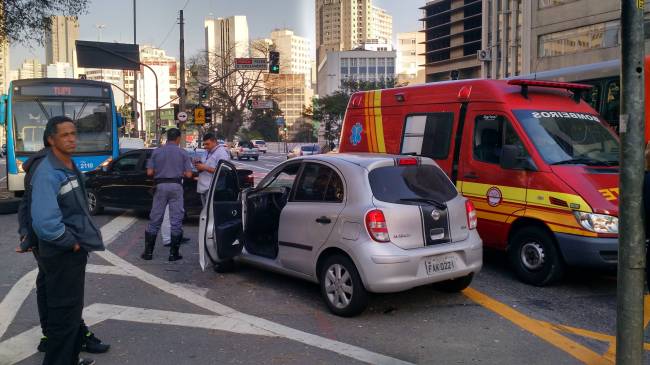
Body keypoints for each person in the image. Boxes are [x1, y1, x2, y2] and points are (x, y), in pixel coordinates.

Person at [15, 146, 110, 358]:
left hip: (50, 241)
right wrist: (71, 242)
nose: (72, 142)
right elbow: (34, 208)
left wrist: (26, 233)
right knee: (63, 298)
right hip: (56, 243)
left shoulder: (52, 164)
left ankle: (62, 339)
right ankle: (63, 340)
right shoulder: (46, 167)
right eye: (66, 136)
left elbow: (27, 203)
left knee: (54, 290)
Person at [142, 128, 193, 261]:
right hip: (176, 186)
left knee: (155, 218)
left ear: (167, 138)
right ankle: (173, 254)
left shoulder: (157, 151)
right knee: (176, 220)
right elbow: (189, 174)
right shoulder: (183, 153)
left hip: (160, 186)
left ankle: (148, 253)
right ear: (178, 139)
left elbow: (149, 173)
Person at [194, 133, 230, 206]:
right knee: (206, 212)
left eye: (207, 144)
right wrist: (198, 164)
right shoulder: (207, 152)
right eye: (204, 144)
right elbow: (205, 164)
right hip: (204, 188)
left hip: (214, 189)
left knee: (211, 212)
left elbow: (223, 171)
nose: (205, 147)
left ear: (214, 142)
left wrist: (205, 167)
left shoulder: (221, 153)